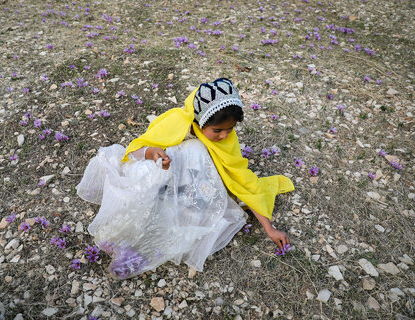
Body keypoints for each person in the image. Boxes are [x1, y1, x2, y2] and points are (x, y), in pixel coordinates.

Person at [76, 78, 294, 279]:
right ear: (199, 122)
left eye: (230, 129)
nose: (225, 136)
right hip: (161, 182)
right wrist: (152, 153)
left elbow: (242, 180)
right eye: (218, 130)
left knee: (196, 157)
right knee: (180, 156)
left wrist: (269, 228)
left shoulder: (225, 139)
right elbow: (134, 151)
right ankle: (127, 236)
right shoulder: (176, 121)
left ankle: (148, 246)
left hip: (196, 187)